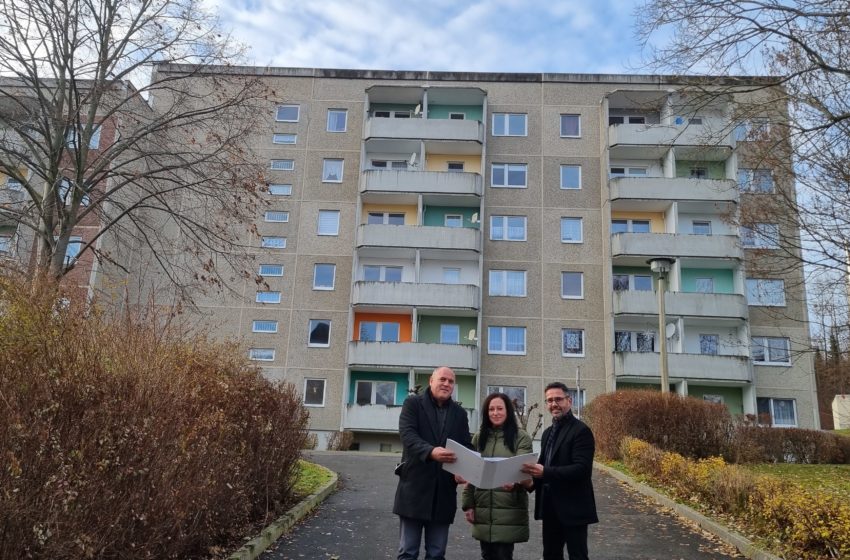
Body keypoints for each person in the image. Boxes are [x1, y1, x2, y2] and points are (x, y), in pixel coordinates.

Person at [393, 366, 472, 560]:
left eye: (451, 381)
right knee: (408, 552)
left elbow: (465, 446)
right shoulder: (413, 404)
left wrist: (465, 469)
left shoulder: (460, 413)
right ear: (431, 381)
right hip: (414, 491)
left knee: (437, 554)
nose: (446, 384)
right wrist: (430, 451)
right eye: (442, 379)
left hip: (443, 494)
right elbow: (408, 435)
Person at [521, 382, 597, 560]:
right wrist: (528, 483)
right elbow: (542, 465)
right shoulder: (547, 432)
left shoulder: (581, 431)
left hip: (573, 508)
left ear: (569, 401)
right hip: (550, 507)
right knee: (551, 555)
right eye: (549, 400)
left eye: (558, 399)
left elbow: (582, 469)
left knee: (577, 555)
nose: (553, 404)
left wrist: (545, 472)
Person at [461, 392, 533, 560]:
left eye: (499, 408)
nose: (495, 413)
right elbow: (471, 473)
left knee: (503, 555)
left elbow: (524, 469)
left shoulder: (521, 437)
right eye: (491, 409)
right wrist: (468, 505)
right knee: (486, 555)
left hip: (509, 508)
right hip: (483, 507)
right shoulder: (479, 437)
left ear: (507, 411)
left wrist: (515, 483)